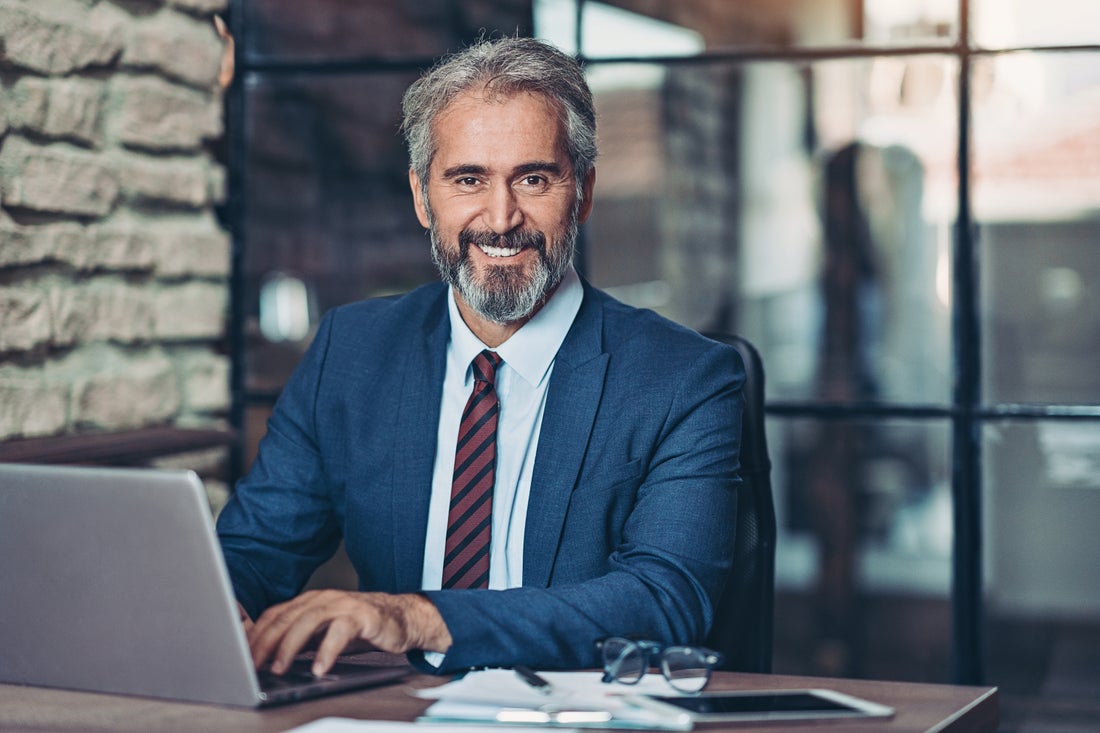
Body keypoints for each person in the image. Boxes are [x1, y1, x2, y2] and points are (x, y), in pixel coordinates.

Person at [216, 35, 745, 678]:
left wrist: (417, 616)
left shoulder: (684, 378)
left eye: (533, 178)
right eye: (468, 179)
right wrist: (223, 609)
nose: (500, 218)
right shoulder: (349, 351)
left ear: (582, 192)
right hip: (393, 715)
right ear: (421, 196)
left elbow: (665, 600)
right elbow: (252, 551)